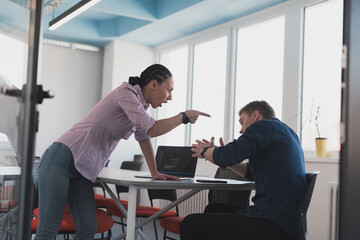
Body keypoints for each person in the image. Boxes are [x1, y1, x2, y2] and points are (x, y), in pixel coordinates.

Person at [34, 64, 210, 239]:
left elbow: (144, 137)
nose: (170, 97)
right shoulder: (125, 93)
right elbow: (152, 129)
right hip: (61, 159)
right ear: (154, 84)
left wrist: (154, 172)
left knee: (87, 227)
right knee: (49, 227)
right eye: (169, 90)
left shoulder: (140, 107)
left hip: (81, 170)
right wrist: (183, 117)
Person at [181, 100, 307, 240]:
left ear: (255, 115)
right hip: (285, 221)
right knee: (214, 208)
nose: (241, 130)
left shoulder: (264, 126)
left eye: (242, 121)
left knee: (189, 223)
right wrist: (219, 154)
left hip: (272, 223)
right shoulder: (285, 132)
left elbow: (226, 156)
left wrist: (205, 151)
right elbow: (250, 173)